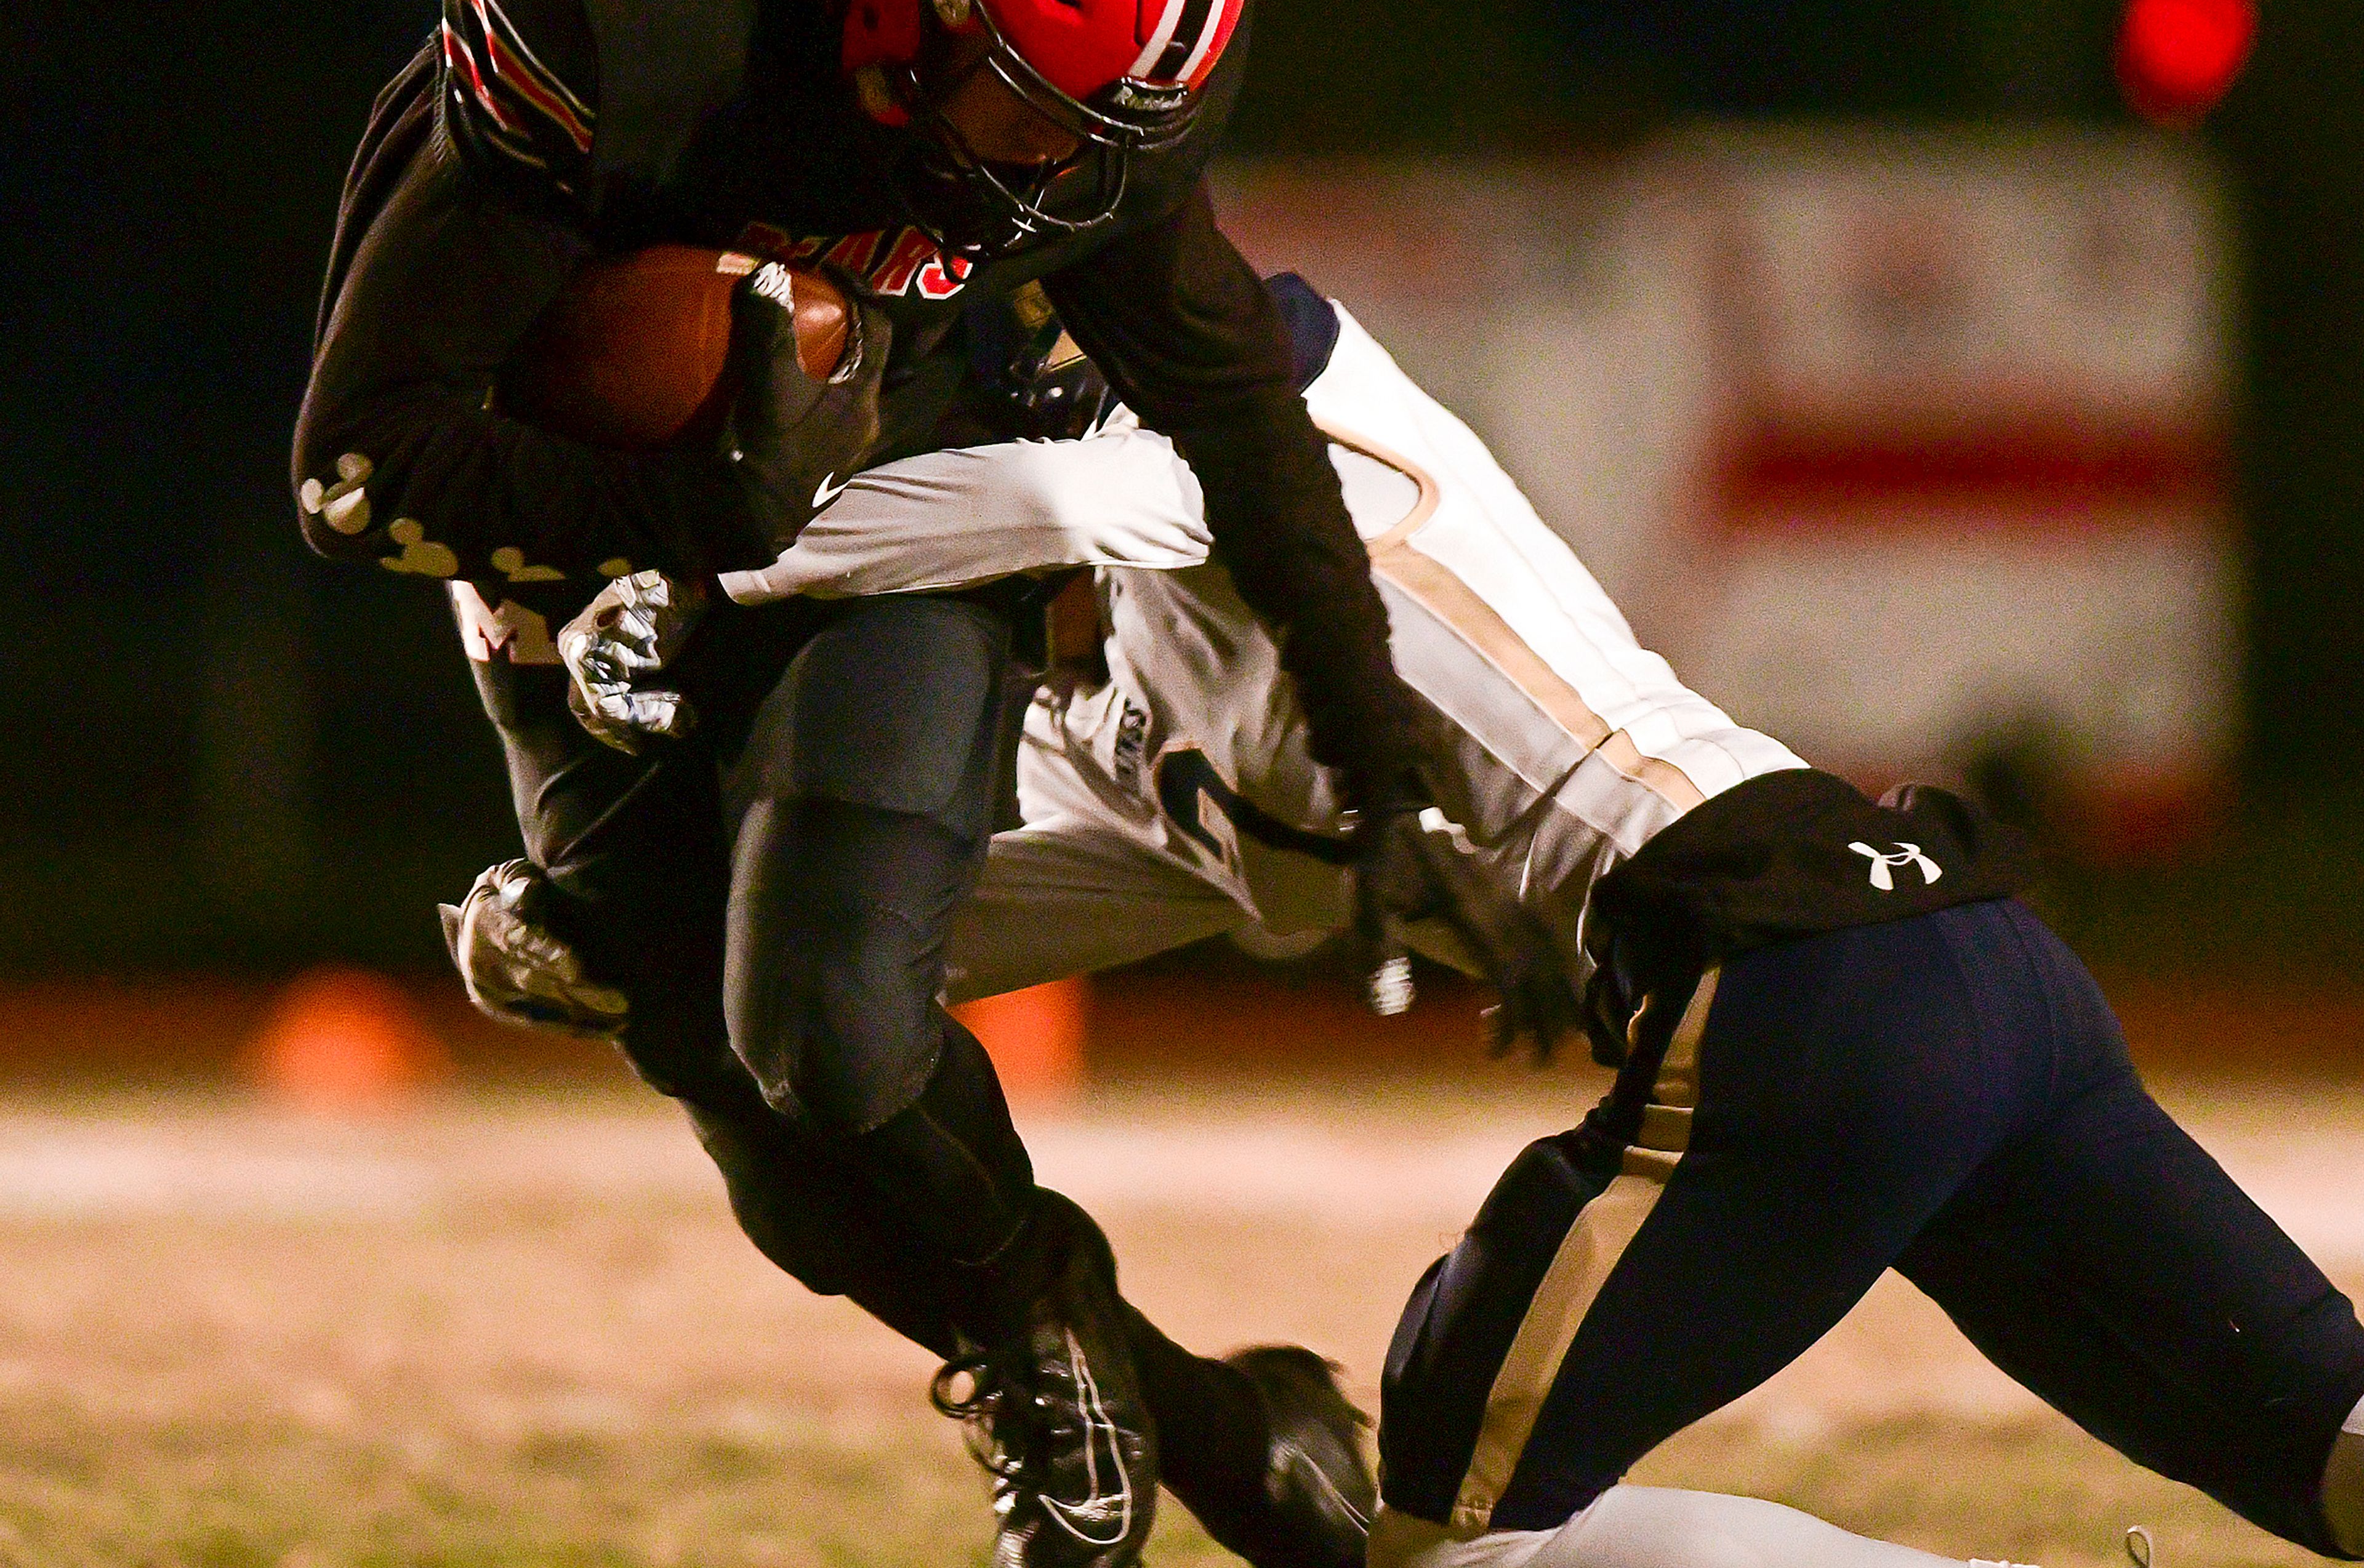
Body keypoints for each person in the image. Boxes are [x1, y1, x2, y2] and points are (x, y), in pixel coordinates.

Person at [292, 0, 1558, 1568]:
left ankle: (1063, 1372)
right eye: (1028, 104)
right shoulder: (634, 18)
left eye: (1097, 119)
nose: (1055, 167)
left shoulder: (1077, 120)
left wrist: (1377, 751)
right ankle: (1192, 1408)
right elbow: (351, 472)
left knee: (828, 1034)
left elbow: (1243, 421)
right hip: (572, 515)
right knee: (771, 1158)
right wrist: (668, 520)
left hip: (897, 458)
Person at [561, 272, 2364, 1567]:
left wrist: (730, 564)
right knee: (2318, 1439)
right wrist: (625, 935)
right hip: (1971, 964)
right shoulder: (1202, 676)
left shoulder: (1264, 420)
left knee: (1442, 1542)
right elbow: (1012, 914)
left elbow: (1063, 491)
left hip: (1790, 987)